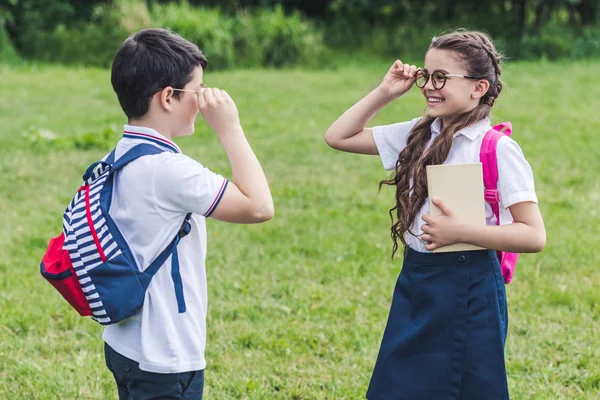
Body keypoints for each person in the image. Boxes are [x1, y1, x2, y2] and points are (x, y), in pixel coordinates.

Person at [324, 30, 546, 399]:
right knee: (395, 387)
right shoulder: (417, 134)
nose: (429, 85)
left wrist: (463, 230)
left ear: (479, 87)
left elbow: (533, 235)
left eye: (441, 77)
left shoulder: (497, 149)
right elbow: (339, 136)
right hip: (417, 280)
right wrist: (385, 92)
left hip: (470, 288)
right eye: (426, 75)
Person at [103, 28, 274, 399]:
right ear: (168, 97)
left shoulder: (118, 156)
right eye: (198, 90)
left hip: (124, 342)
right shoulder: (170, 171)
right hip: (165, 354)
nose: (203, 99)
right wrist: (230, 129)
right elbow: (259, 207)